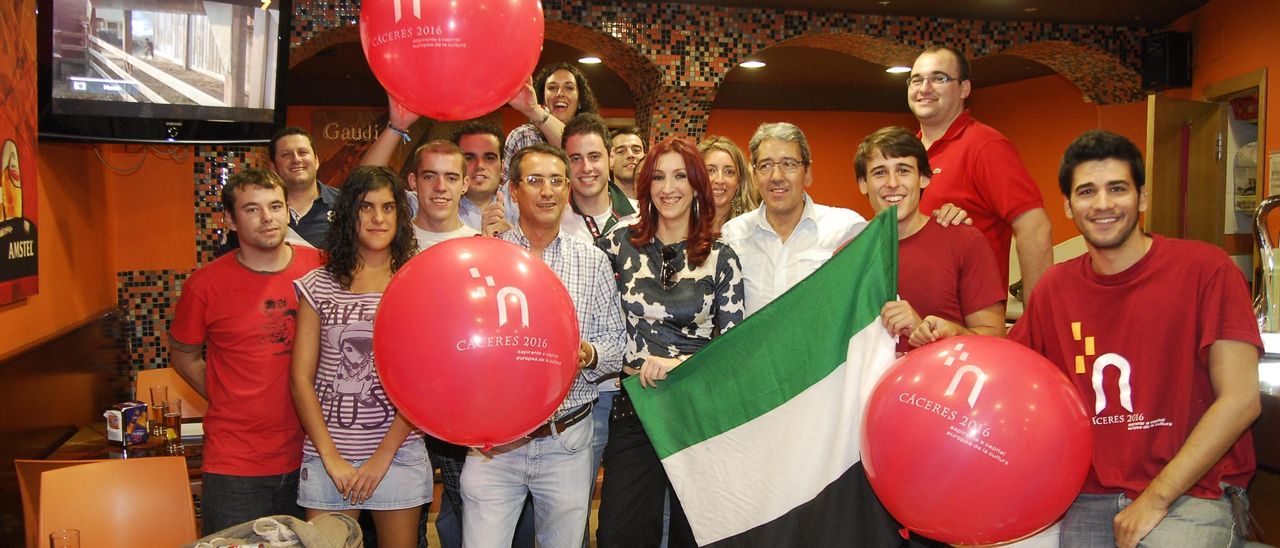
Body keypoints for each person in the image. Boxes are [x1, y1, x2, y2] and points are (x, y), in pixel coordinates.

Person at [1010, 130, 1261, 548]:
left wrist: (1155, 498)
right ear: (1069, 206)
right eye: (1087, 192)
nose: (1104, 204)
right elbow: (1010, 368)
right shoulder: (1056, 289)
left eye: (1118, 189)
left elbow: (1240, 400)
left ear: (1142, 198)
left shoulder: (1206, 270)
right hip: (1090, 493)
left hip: (1192, 492)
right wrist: (949, 336)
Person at [460, 143, 626, 548]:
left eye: (556, 181)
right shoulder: (484, 255)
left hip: (566, 440)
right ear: (513, 190)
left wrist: (586, 354)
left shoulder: (592, 260)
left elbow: (617, 344)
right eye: (535, 181)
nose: (547, 191)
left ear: (567, 191)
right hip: (493, 445)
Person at [595, 138, 745, 548]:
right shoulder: (618, 243)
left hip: (694, 411)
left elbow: (734, 348)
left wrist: (682, 365)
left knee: (692, 536)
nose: (668, 187)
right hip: (635, 408)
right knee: (618, 535)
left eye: (680, 175)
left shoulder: (721, 257)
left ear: (697, 184)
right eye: (658, 176)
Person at [169, 168, 324, 534]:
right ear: (230, 220)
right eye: (252, 209)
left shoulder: (322, 266)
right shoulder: (204, 285)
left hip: (314, 458)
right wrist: (224, 396)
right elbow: (183, 355)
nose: (267, 218)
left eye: (275, 206)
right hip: (235, 466)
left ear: (288, 211)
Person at [290, 166, 428, 548]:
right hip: (327, 455)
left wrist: (380, 458)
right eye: (367, 207)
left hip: (396, 454)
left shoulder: (415, 283)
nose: (378, 218)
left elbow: (422, 383)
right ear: (349, 212)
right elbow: (301, 379)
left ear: (400, 216)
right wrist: (331, 458)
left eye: (388, 207)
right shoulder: (317, 284)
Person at [908, 46, 1052, 296]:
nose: (924, 88)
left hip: (969, 323)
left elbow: (1035, 228)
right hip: (913, 319)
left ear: (964, 88)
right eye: (917, 80)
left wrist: (1036, 320)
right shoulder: (907, 153)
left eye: (939, 78)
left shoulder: (985, 146)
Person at [854, 126, 1006, 354]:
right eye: (879, 172)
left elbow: (995, 341)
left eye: (903, 170)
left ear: (924, 178)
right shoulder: (849, 256)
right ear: (863, 184)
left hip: (945, 386)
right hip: (870, 389)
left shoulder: (964, 241)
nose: (892, 182)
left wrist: (927, 331)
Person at [720, 122, 866, 317]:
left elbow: (869, 302)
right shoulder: (734, 235)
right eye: (765, 166)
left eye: (789, 164)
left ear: (808, 173)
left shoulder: (846, 229)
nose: (777, 176)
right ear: (754, 177)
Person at [217, 127, 338, 255]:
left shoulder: (346, 203)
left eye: (302, 152)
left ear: (316, 161)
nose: (296, 159)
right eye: (286, 154)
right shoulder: (252, 214)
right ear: (273, 166)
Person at [502, 63, 600, 183]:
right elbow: (508, 193)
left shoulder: (594, 137)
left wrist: (534, 110)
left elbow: (575, 147)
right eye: (552, 88)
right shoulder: (522, 136)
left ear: (580, 99)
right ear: (542, 97)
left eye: (569, 88)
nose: (560, 93)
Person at [561, 113, 638, 243]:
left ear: (611, 157)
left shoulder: (640, 216)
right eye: (576, 159)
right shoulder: (555, 222)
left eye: (594, 157)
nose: (586, 168)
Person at [452, 122, 516, 237]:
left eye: (489, 158)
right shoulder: (435, 204)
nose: (480, 165)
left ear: (502, 167)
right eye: (469, 158)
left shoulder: (522, 201)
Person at [697, 135, 759, 231]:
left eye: (729, 172)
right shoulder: (681, 225)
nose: (719, 180)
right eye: (710, 170)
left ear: (739, 181)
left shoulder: (754, 228)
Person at [609, 127, 647, 200]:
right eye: (620, 151)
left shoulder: (659, 203)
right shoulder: (601, 206)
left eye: (636, 150)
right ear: (609, 161)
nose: (630, 155)